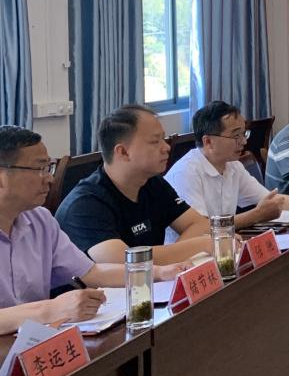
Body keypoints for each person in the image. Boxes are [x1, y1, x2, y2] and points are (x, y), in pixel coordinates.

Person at [0, 126, 185, 334]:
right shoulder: (86, 200)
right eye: (39, 169)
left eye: (48, 168)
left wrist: (158, 272)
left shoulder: (40, 220)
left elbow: (91, 272)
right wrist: (49, 309)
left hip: (34, 340)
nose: (50, 179)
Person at [56, 105, 215, 264]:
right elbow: (124, 261)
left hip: (152, 278)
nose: (166, 147)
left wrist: (174, 259)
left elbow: (199, 224)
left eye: (164, 139)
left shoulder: (152, 183)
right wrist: (199, 245)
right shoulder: (85, 204)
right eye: (155, 141)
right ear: (123, 152)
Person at [165, 101, 289, 231]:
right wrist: (256, 215)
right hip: (195, 244)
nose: (244, 141)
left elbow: (273, 200)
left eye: (244, 133)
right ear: (208, 142)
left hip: (224, 241)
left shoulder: (233, 165)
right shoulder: (185, 174)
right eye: (236, 136)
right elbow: (201, 228)